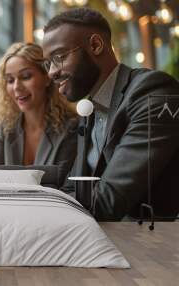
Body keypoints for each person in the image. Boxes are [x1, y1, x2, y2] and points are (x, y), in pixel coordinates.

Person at [42, 7, 179, 221]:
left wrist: (38, 209)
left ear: (96, 45)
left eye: (59, 57)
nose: (51, 73)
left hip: (158, 244)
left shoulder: (152, 92)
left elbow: (108, 200)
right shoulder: (89, 111)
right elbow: (73, 185)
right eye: (48, 63)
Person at [0, 42, 78, 185]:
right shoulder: (4, 129)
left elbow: (62, 180)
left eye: (25, 76)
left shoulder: (71, 127)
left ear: (47, 77)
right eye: (10, 80)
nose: (16, 87)